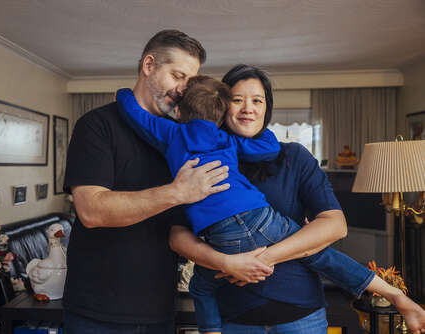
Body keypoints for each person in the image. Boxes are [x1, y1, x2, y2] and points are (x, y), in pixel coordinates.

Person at [116, 75, 425, 334]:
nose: (248, 109)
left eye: (258, 101)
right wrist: (230, 263)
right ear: (222, 108)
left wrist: (251, 260)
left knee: (201, 286)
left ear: (267, 107)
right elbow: (177, 236)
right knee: (321, 255)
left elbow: (335, 225)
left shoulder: (177, 136)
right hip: (241, 295)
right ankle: (395, 295)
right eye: (237, 100)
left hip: (292, 304)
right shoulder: (225, 145)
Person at [62, 30, 274, 334]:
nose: (182, 90)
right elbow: (91, 211)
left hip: (160, 309)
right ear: (149, 65)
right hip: (96, 311)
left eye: (190, 82)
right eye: (177, 75)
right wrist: (178, 192)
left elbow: (182, 229)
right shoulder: (97, 125)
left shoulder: (184, 134)